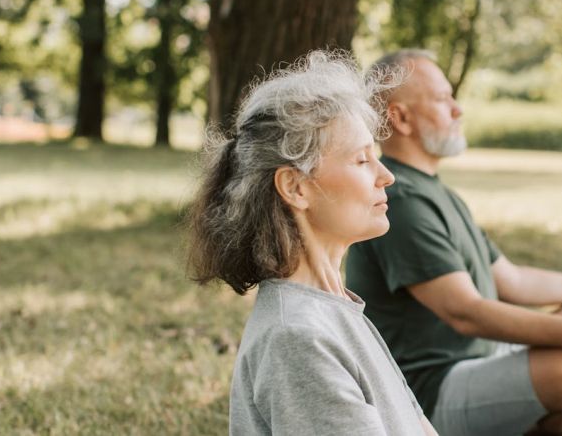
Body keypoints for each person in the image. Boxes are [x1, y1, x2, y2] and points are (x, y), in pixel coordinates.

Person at [346, 49, 562, 436]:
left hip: (479, 362)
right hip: (427, 397)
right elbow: (465, 313)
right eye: (441, 99)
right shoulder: (401, 201)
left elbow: (513, 281)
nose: (457, 110)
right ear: (399, 117)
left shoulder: (434, 192)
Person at [186, 50, 438, 436]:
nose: (386, 175)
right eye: (361, 160)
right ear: (296, 187)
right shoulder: (298, 338)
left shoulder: (335, 310)